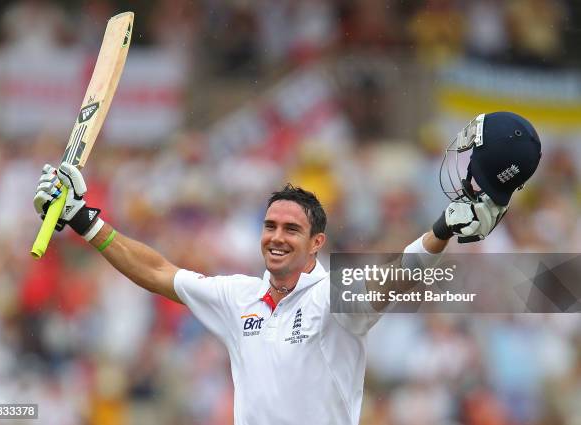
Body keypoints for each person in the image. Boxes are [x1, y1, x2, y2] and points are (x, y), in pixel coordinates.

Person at [33, 111, 541, 425]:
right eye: (270, 225)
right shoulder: (238, 298)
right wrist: (84, 218)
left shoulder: (332, 299)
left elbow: (395, 277)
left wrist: (441, 231)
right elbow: (159, 271)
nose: (276, 237)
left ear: (316, 243)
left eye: (291, 229)